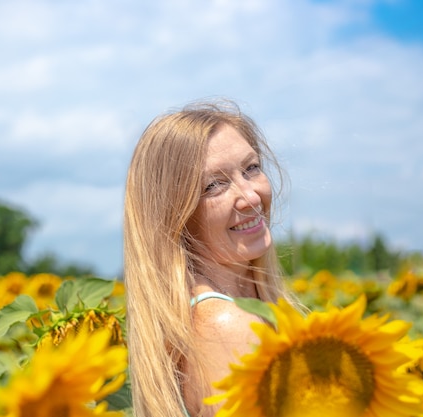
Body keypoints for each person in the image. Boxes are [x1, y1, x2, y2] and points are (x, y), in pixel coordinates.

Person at [124, 100, 298, 417]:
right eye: (214, 185)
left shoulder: (201, 318)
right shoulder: (228, 327)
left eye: (251, 168)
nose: (250, 196)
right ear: (175, 215)